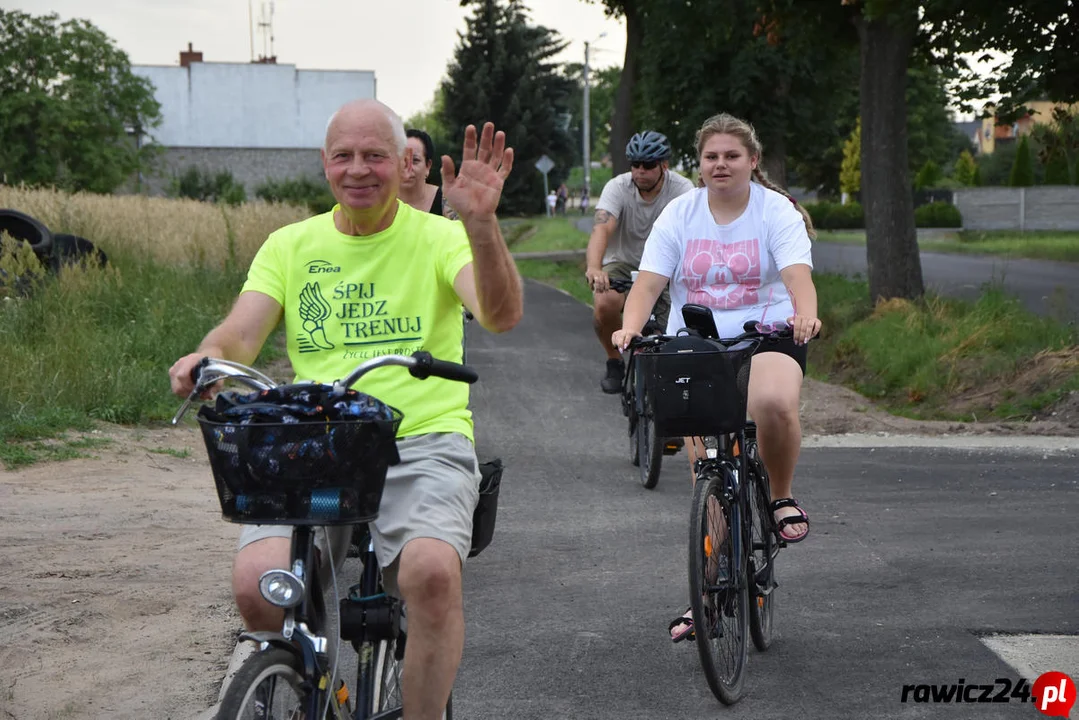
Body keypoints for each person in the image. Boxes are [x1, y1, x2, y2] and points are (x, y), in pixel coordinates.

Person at [169, 99, 523, 719]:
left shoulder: (441, 237)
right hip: (315, 441)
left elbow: (500, 314)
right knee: (259, 589)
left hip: (419, 439)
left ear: (402, 164)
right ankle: (308, 681)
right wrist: (207, 359)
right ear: (325, 165)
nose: (359, 169)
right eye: (344, 156)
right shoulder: (290, 245)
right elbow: (239, 335)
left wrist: (483, 227)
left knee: (433, 576)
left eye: (375, 156)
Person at [610, 112, 820, 642]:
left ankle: (779, 497)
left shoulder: (776, 212)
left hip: (769, 327)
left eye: (731, 155)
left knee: (772, 402)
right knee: (709, 471)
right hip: (698, 340)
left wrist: (805, 314)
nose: (720, 164)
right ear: (699, 165)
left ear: (752, 161)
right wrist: (629, 330)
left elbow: (798, 276)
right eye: (711, 157)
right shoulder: (680, 214)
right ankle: (705, 593)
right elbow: (648, 283)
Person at [585, 130, 695, 393]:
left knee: (675, 325)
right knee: (605, 302)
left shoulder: (683, 190)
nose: (640, 172)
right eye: (635, 165)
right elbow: (602, 228)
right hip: (623, 260)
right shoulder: (617, 187)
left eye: (648, 165)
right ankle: (615, 361)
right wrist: (594, 267)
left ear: (664, 166)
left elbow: (693, 235)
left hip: (667, 266)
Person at [399, 127, 444, 215]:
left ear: (428, 166)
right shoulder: (379, 202)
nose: (407, 168)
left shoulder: (445, 201)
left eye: (415, 160)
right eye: (402, 160)